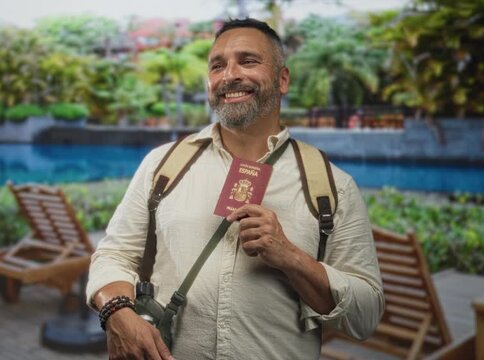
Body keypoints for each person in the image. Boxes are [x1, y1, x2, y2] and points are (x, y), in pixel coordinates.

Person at [86, 18, 384, 360]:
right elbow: (113, 255)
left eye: (248, 61)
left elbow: (367, 314)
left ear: (282, 79)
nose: (229, 75)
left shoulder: (333, 187)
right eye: (217, 65)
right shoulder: (161, 165)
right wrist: (117, 313)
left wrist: (292, 258)